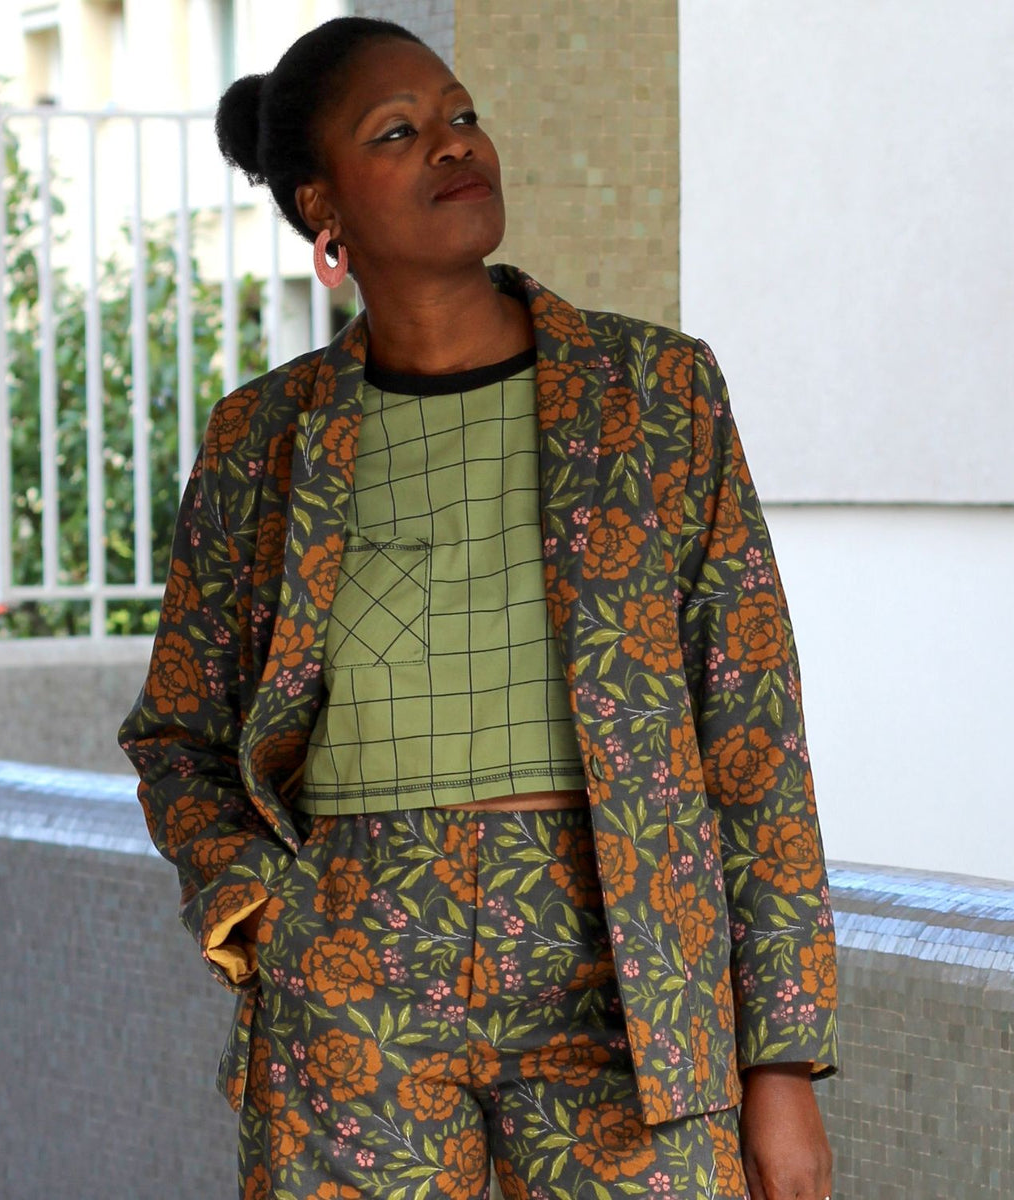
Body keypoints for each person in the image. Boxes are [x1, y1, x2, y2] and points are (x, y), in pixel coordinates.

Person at [119, 16, 838, 1200]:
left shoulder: (659, 393)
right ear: (322, 207)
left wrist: (783, 1060)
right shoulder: (264, 439)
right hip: (354, 972)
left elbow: (753, 733)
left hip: (631, 976)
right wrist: (266, 910)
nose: (453, 145)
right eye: (397, 133)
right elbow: (177, 733)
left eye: (460, 116)